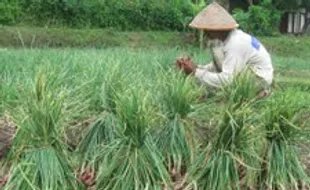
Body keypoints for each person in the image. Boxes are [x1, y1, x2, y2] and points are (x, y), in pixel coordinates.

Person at [176, 2, 274, 94]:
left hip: (259, 79)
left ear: (219, 29)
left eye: (208, 30)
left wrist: (195, 72)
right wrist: (196, 67)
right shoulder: (226, 40)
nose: (205, 33)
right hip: (251, 73)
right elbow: (218, 66)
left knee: (225, 85)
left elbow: (227, 80)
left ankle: (257, 93)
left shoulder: (236, 43)